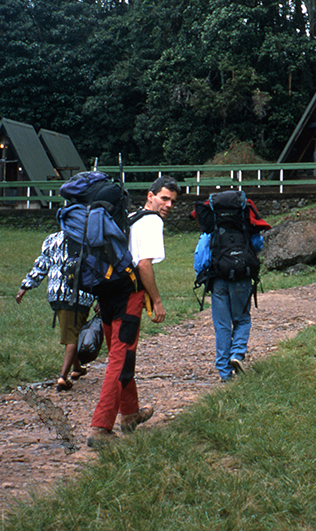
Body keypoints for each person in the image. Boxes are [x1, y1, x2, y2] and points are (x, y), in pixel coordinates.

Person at [86, 176, 179, 447]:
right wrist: (157, 300)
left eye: (172, 201)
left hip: (107, 292)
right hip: (128, 296)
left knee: (121, 357)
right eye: (164, 198)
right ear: (150, 196)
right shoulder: (151, 222)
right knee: (120, 359)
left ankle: (129, 414)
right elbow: (144, 265)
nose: (168, 205)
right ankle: (100, 428)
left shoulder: (128, 217)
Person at [196, 194, 270, 381]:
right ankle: (237, 354)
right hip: (241, 276)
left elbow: (201, 253)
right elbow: (257, 245)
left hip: (218, 278)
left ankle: (224, 372)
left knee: (222, 325)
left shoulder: (213, 225)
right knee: (242, 320)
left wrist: (201, 272)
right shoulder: (244, 223)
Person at [15, 230, 96, 391]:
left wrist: (25, 286)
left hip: (56, 293)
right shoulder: (89, 237)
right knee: (73, 336)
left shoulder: (52, 239)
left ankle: (77, 368)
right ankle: (62, 377)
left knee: (70, 331)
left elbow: (42, 264)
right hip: (80, 294)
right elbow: (97, 266)